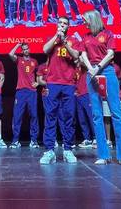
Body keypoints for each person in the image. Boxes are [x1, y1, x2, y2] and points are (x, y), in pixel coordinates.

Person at [79, 10, 121, 166]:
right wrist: (90, 69)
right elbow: (83, 55)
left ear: (92, 19)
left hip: (107, 72)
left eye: (85, 20)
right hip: (92, 74)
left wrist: (99, 67)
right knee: (96, 115)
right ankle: (103, 154)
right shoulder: (86, 37)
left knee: (116, 113)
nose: (83, 22)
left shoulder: (108, 34)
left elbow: (110, 54)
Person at [40, 16, 79, 163]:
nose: (62, 25)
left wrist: (65, 43)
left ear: (68, 26)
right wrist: (57, 37)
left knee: (68, 116)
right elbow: (45, 49)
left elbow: (76, 55)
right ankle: (49, 150)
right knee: (50, 115)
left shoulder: (73, 40)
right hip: (53, 83)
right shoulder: (52, 38)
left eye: (65, 24)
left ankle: (68, 149)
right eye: (60, 23)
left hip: (68, 83)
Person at [8, 42, 40, 148]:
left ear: (29, 49)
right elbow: (10, 54)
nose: (26, 50)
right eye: (24, 49)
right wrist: (17, 45)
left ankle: (34, 140)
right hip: (20, 92)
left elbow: (39, 75)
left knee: (34, 116)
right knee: (17, 116)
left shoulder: (34, 61)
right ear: (22, 51)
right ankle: (15, 141)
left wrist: (38, 83)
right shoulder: (19, 60)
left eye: (27, 48)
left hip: (32, 92)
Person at [74, 61, 94, 148]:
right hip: (78, 95)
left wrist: (79, 59)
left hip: (87, 94)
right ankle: (87, 139)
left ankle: (96, 138)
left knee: (91, 117)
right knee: (82, 118)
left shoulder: (85, 68)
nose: (75, 61)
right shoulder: (73, 69)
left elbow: (84, 62)